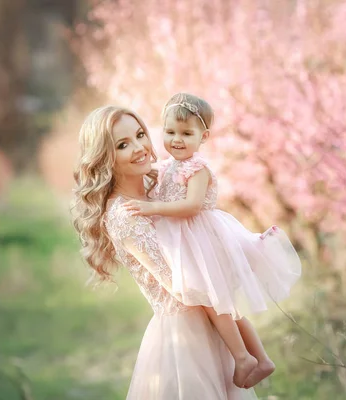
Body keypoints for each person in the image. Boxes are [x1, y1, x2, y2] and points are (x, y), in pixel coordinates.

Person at [72, 105, 259, 399]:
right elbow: (184, 282)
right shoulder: (125, 215)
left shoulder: (157, 192)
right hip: (184, 340)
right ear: (105, 157)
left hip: (211, 325)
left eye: (140, 135)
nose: (138, 148)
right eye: (122, 145)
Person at [122, 93, 302, 388]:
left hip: (200, 240)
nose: (176, 140)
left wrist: (152, 208)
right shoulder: (167, 166)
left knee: (215, 302)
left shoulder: (198, 168)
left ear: (203, 136)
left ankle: (243, 357)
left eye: (186, 134)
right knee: (222, 303)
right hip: (185, 242)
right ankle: (261, 358)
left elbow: (192, 206)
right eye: (169, 132)